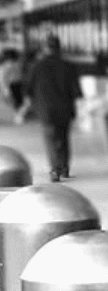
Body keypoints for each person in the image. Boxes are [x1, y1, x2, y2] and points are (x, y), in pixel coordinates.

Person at [22, 34, 82, 182]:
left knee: (50, 139)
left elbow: (28, 90)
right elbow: (77, 92)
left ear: (45, 48)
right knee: (64, 138)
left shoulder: (36, 66)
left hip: (46, 110)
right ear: (59, 48)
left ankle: (55, 170)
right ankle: (64, 168)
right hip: (65, 109)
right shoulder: (68, 66)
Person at [0, 48, 24, 120]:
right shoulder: (12, 65)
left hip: (14, 84)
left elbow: (3, 78)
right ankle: (18, 114)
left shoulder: (7, 65)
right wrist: (5, 88)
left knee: (15, 100)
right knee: (16, 100)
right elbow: (3, 78)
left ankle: (18, 114)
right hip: (14, 84)